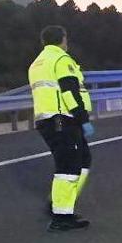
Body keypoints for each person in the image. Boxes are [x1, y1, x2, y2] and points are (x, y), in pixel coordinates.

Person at [29, 25, 93, 232]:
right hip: (62, 119)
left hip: (47, 119)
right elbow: (69, 92)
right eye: (66, 38)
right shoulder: (61, 60)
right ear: (62, 39)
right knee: (68, 166)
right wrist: (83, 118)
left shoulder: (37, 63)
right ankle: (61, 216)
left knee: (83, 159)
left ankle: (62, 204)